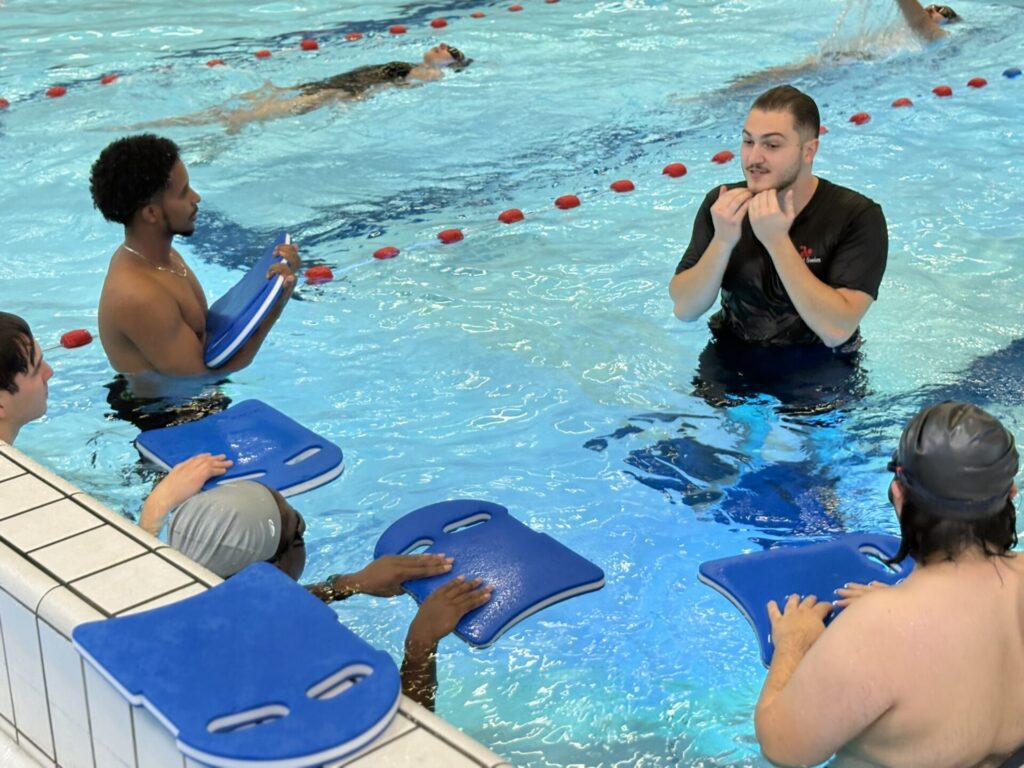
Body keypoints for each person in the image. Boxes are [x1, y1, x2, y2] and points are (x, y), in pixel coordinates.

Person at [754, 402, 1024, 767]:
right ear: (1011, 493)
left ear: (898, 493)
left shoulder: (875, 633)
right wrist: (904, 605)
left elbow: (783, 748)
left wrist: (793, 644)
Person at [159, 481, 492, 711]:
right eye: (297, 532)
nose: (304, 527)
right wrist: (421, 645)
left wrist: (345, 585)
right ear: (275, 567)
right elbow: (405, 744)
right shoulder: (297, 659)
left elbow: (258, 605)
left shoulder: (182, 601)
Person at [668, 84, 887, 410]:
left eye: (771, 145)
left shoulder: (856, 216)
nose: (754, 158)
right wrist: (723, 240)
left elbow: (836, 329)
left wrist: (776, 240)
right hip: (731, 358)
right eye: (748, 141)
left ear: (808, 151)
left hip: (821, 365)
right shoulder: (723, 205)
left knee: (813, 457)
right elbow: (685, 309)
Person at [90, 134, 300, 381]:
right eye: (183, 192)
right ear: (151, 213)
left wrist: (269, 289)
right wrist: (278, 303)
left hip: (188, 399)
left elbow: (212, 333)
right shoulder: (139, 296)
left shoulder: (165, 256)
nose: (196, 197)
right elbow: (201, 380)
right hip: (165, 414)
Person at [133, 43, 471, 133]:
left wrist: (351, 100)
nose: (442, 46)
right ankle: (200, 120)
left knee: (253, 110)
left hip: (338, 92)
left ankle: (228, 122)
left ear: (452, 64)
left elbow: (394, 88)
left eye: (449, 51)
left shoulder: (432, 75)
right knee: (262, 95)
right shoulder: (422, 68)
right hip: (337, 84)